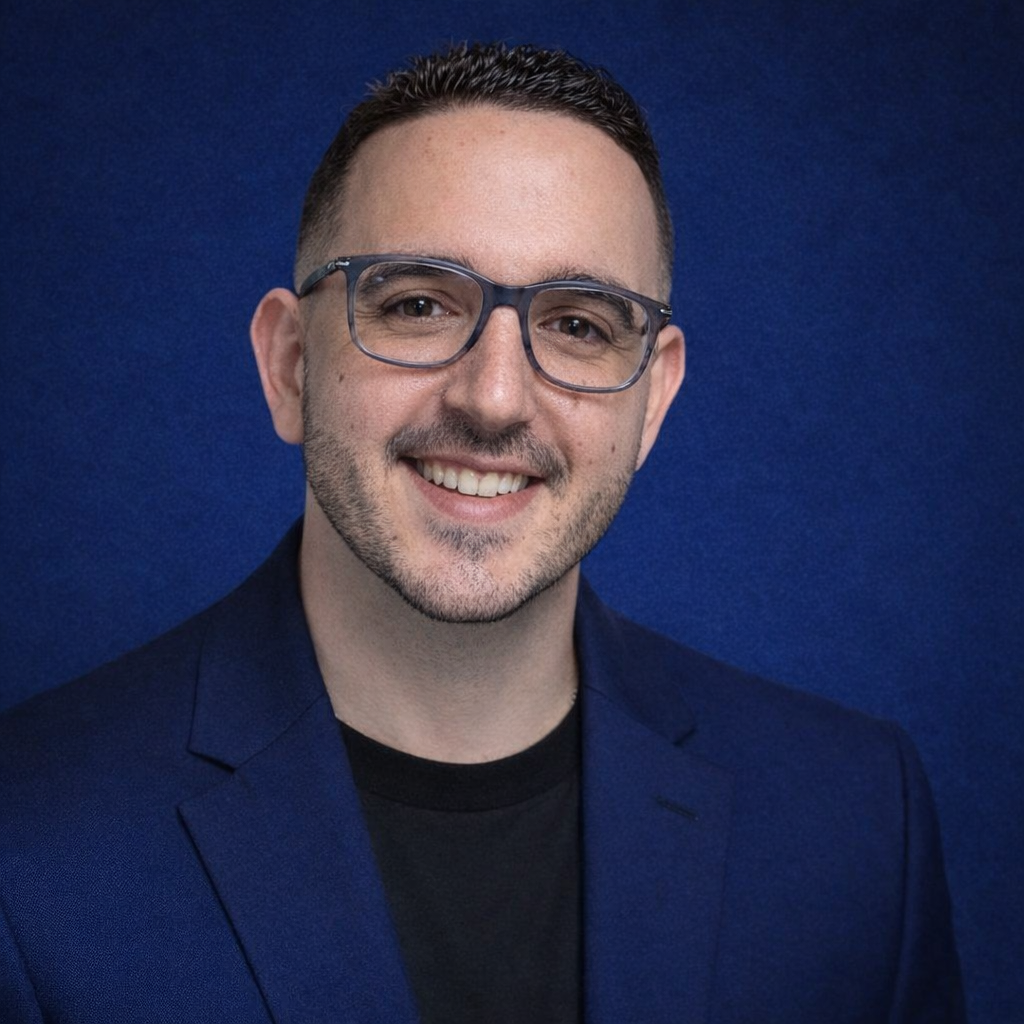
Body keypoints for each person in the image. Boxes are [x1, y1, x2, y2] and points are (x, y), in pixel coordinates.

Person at [0, 42, 965, 1024]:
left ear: (654, 399)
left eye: (580, 325)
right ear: (289, 365)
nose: (494, 398)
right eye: (418, 304)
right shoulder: (26, 844)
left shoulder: (856, 825)